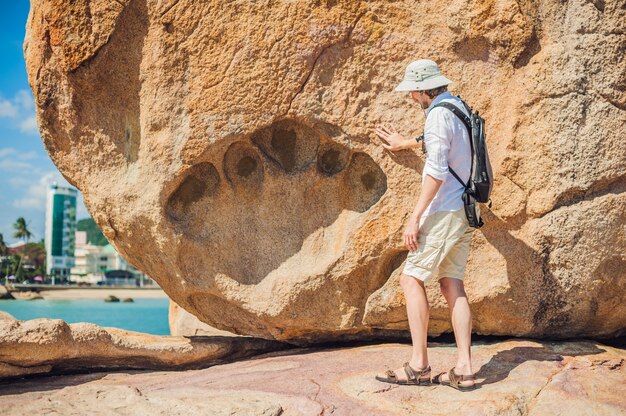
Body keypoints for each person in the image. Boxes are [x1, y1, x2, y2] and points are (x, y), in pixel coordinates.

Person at [372, 59, 478, 390]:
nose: (410, 98)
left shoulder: (436, 115)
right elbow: (445, 144)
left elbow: (437, 170)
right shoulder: (457, 106)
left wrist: (415, 216)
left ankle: (419, 365)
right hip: (464, 210)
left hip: (444, 210)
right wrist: (409, 143)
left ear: (421, 90)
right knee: (451, 285)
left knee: (410, 278)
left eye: (411, 92)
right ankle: (464, 369)